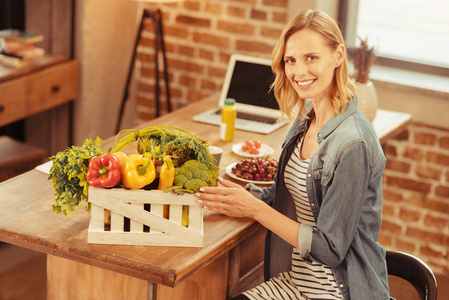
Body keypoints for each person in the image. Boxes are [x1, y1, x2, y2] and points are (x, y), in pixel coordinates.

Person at [195, 9, 389, 300]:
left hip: (337, 291)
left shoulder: (353, 144)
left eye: (311, 57)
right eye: (291, 60)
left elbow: (330, 249)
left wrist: (255, 209)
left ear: (338, 56)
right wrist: (234, 197)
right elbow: (278, 197)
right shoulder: (304, 122)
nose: (299, 72)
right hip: (295, 283)